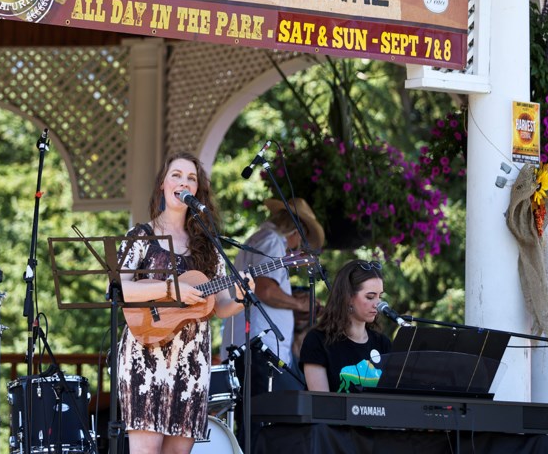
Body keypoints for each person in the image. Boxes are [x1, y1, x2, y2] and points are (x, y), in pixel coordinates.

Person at [116, 151, 251, 454]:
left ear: (198, 190)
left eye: (191, 178)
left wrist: (241, 299)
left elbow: (221, 307)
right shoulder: (141, 235)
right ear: (163, 184)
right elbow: (120, 289)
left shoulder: (208, 244)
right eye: (176, 175)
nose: (183, 182)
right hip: (145, 352)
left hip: (192, 360)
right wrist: (169, 288)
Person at [220, 197, 324, 450]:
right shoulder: (272, 241)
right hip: (260, 349)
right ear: (294, 229)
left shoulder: (261, 239)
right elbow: (266, 289)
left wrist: (291, 307)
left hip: (252, 348)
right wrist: (300, 305)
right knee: (264, 420)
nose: (299, 245)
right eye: (301, 237)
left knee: (254, 419)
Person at [299, 260, 393, 393]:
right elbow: (320, 402)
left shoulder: (382, 343)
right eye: (370, 297)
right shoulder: (318, 340)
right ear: (348, 297)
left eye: (380, 296)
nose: (377, 304)